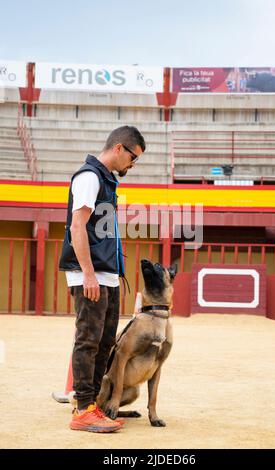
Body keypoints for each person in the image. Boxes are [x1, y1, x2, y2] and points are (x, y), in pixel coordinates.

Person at [59, 126, 146, 433]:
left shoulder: (106, 180)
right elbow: (77, 228)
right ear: (120, 148)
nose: (132, 166)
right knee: (89, 339)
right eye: (133, 158)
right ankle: (83, 408)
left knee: (106, 341)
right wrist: (89, 274)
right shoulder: (89, 177)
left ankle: (91, 404)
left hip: (104, 274)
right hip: (90, 274)